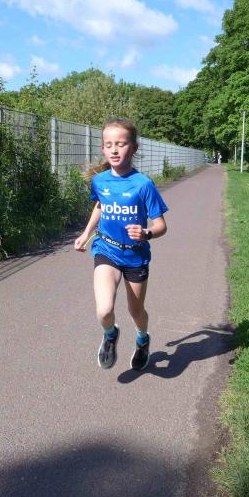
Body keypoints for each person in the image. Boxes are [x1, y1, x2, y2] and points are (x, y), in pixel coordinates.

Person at [74, 118, 168, 371]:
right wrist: (86, 233)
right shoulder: (100, 181)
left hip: (136, 256)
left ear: (134, 148)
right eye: (109, 145)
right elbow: (100, 205)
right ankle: (110, 334)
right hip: (106, 249)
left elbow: (161, 225)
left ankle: (142, 340)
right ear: (103, 149)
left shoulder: (144, 185)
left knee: (136, 311)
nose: (114, 150)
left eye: (121, 144)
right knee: (104, 310)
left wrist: (146, 233)